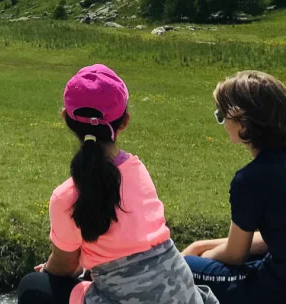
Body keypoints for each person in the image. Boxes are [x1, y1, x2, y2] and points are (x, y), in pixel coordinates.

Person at [18, 64, 216, 304]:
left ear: (65, 119)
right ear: (124, 122)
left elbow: (63, 266)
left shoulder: (65, 196)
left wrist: (51, 269)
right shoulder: (138, 170)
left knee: (33, 286)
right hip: (181, 293)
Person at [183, 70, 286, 304]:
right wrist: (200, 244)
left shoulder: (251, 179)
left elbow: (235, 254)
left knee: (185, 267)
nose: (221, 122)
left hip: (276, 288)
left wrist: (199, 255)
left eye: (221, 116)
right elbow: (273, 237)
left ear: (243, 123)